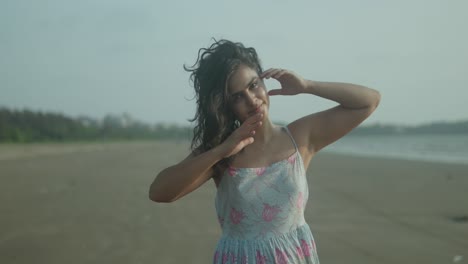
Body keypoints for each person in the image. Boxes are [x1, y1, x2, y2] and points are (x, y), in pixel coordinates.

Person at [149, 39, 381, 264]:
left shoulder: (299, 137)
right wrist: (221, 150)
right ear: (225, 106)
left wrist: (307, 86)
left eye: (253, 85)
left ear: (264, 82)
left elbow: (368, 101)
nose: (252, 100)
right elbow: (159, 192)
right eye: (237, 96)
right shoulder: (222, 151)